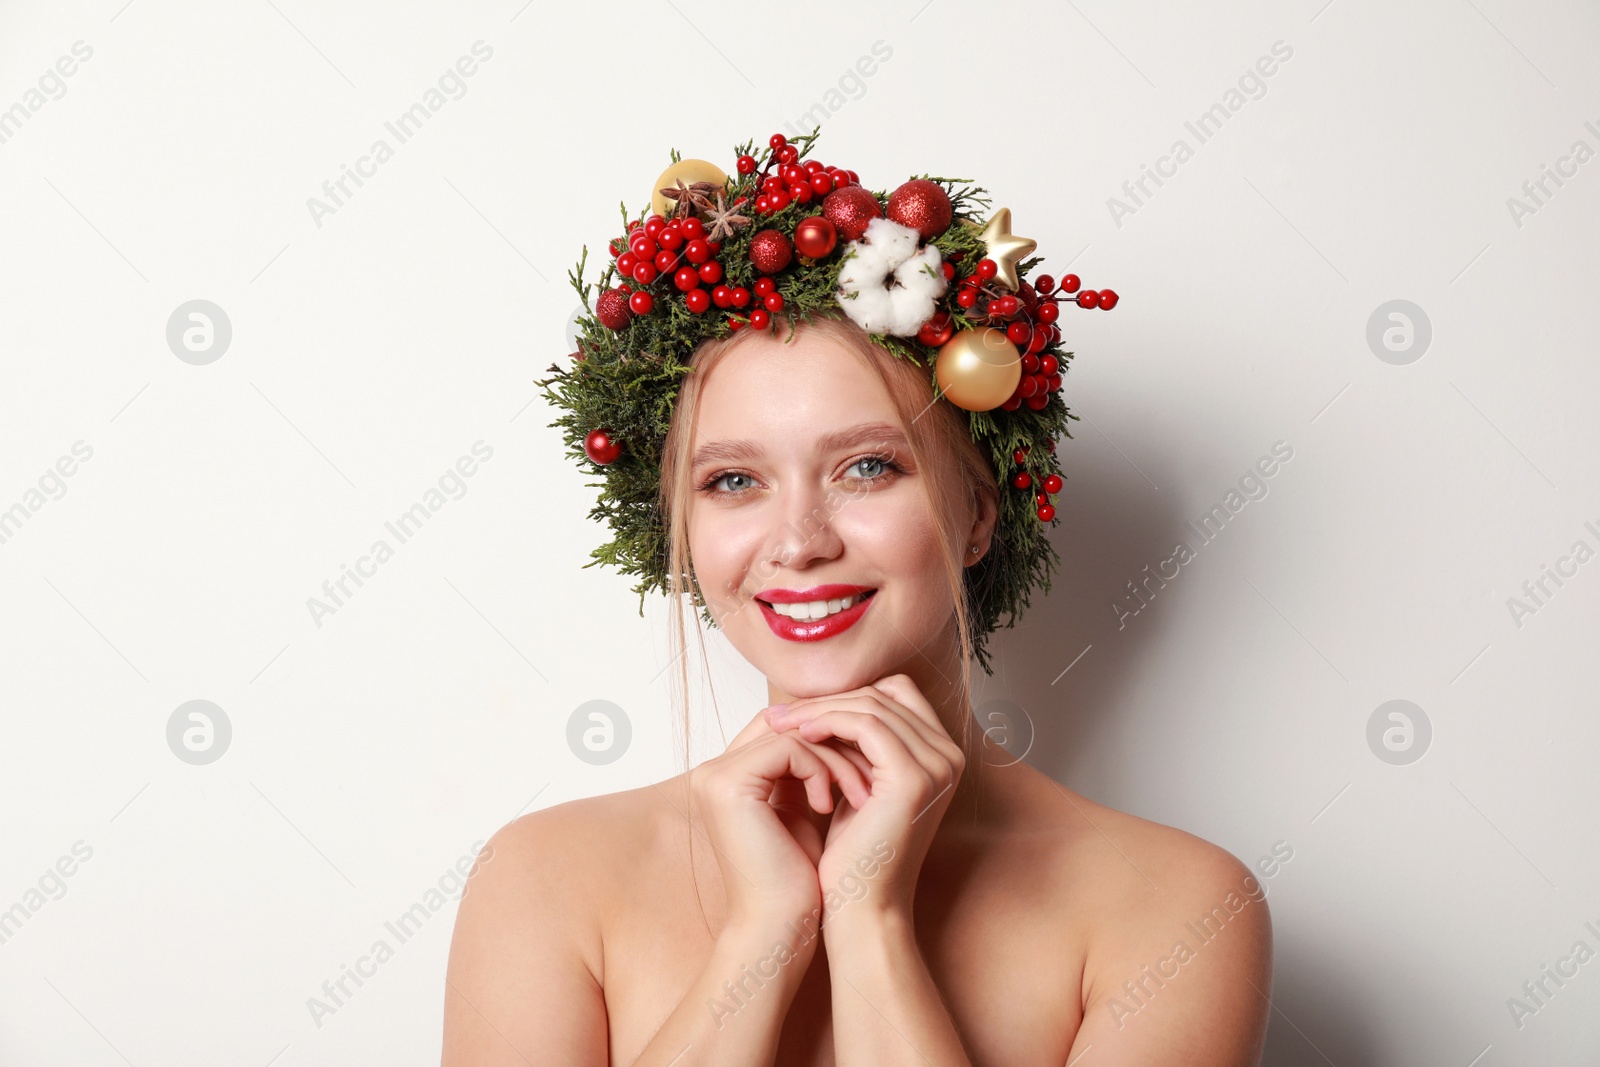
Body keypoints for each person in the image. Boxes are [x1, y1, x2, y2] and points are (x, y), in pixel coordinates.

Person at [442, 132, 1272, 1066]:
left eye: (867, 466)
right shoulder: (544, 880)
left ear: (976, 516)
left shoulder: (1177, 909)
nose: (799, 541)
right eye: (731, 481)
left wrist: (870, 919)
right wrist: (765, 931)